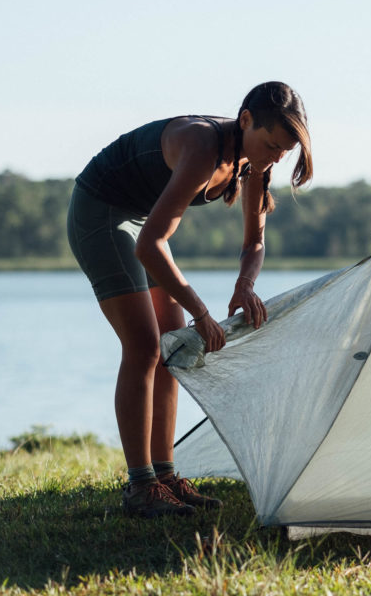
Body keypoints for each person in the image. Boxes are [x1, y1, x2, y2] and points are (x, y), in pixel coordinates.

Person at [66, 81, 313, 517]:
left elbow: (254, 242)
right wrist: (200, 310)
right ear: (246, 120)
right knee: (144, 345)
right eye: (272, 145)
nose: (275, 157)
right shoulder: (202, 145)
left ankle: (164, 476)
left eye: (284, 152)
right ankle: (141, 487)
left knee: (171, 346)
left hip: (142, 224)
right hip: (100, 212)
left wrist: (245, 285)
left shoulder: (254, 161)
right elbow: (149, 244)